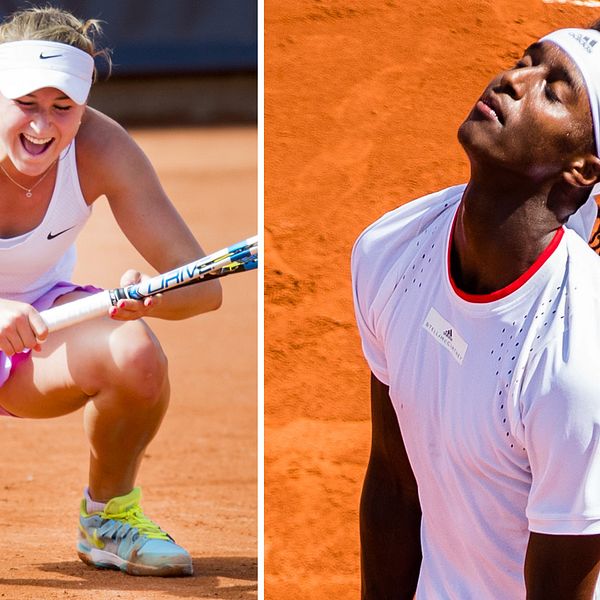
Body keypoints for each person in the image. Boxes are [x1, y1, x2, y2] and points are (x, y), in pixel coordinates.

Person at [352, 21, 600, 600]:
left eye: (554, 89)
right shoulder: (390, 251)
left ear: (582, 170)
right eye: (524, 60)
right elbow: (394, 479)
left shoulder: (577, 363)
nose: (513, 80)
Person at [0, 6, 223, 577]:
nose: (42, 127)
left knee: (135, 353)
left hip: (38, 338)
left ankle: (107, 520)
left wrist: (150, 296)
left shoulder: (102, 148)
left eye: (62, 107)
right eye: (26, 103)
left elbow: (201, 287)